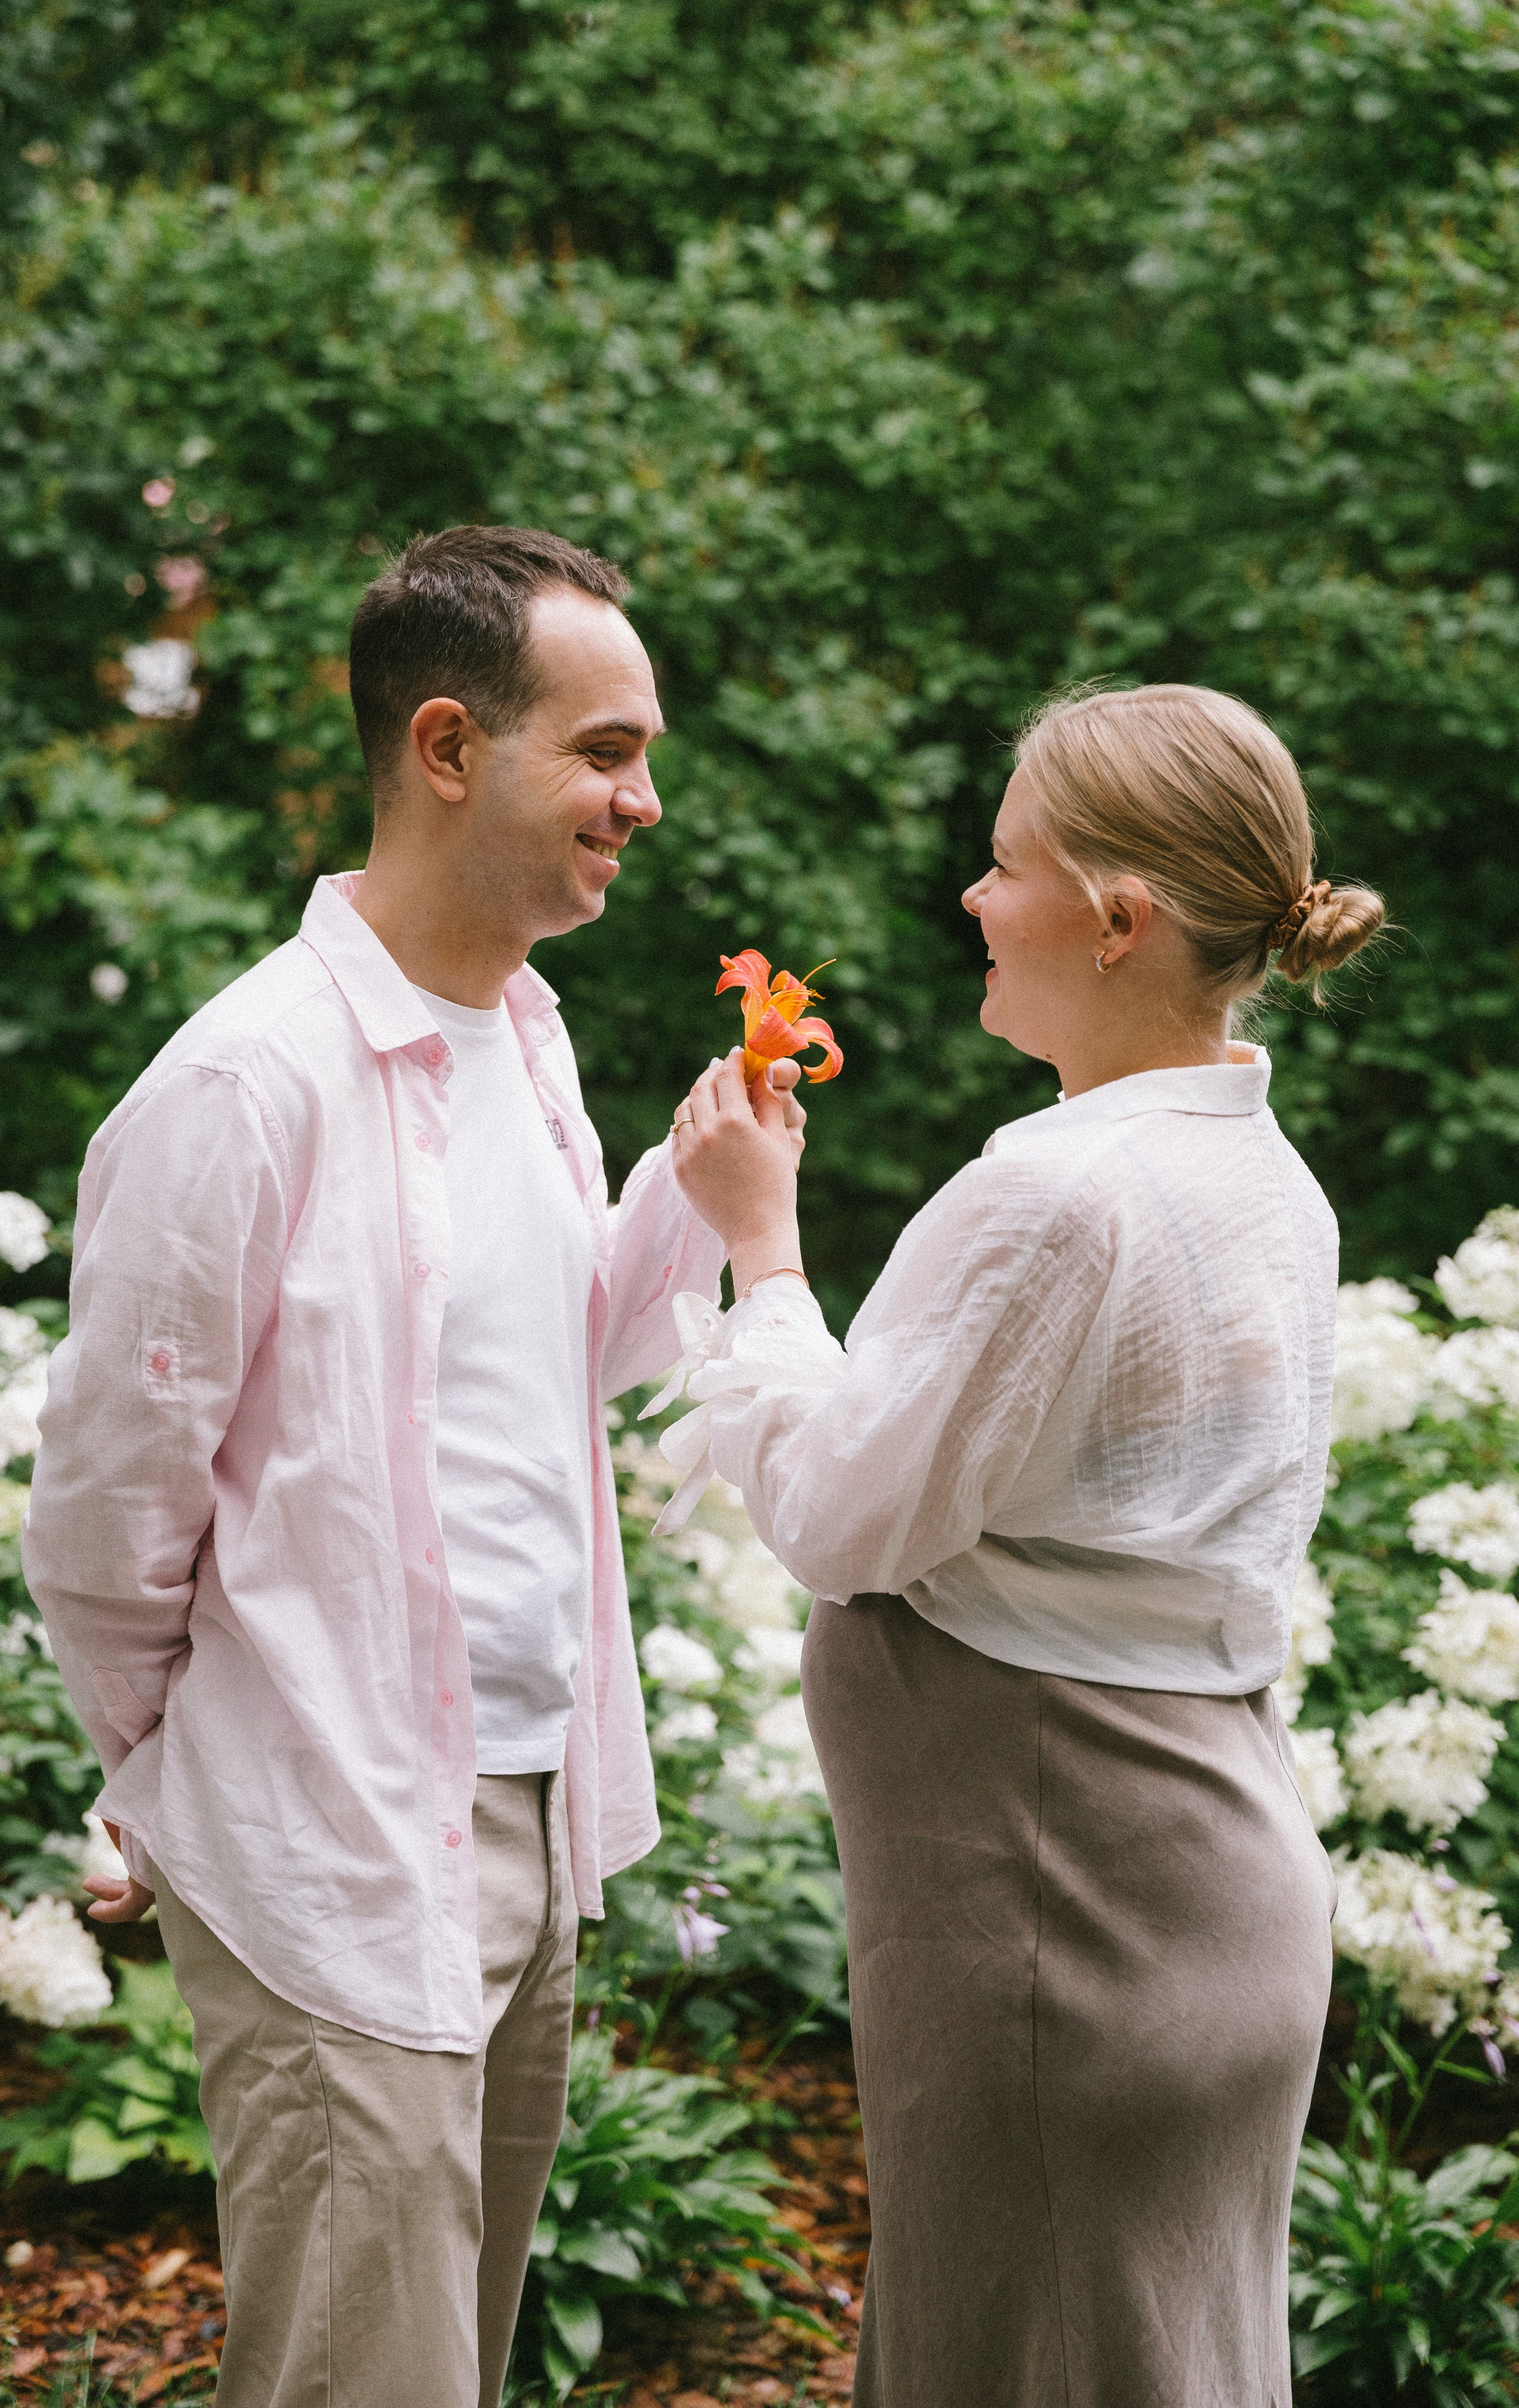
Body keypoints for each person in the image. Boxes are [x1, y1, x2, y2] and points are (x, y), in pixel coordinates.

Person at [22, 525, 760, 2408]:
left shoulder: (528, 1036)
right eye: (605, 752)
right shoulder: (241, 1087)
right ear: (447, 746)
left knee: (449, 2367)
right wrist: (185, 1774)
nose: (645, 801)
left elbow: (558, 1366)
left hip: (529, 1806)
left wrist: (699, 1187)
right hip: (331, 1838)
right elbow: (106, 1518)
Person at [662, 682, 1384, 2408]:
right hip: (1203, 1901)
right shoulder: (1267, 1183)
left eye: (1006, 863)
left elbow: (840, 1519)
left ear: (1117, 920)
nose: (975, 898)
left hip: (1069, 1935)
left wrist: (763, 1248)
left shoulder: (1062, 1195)